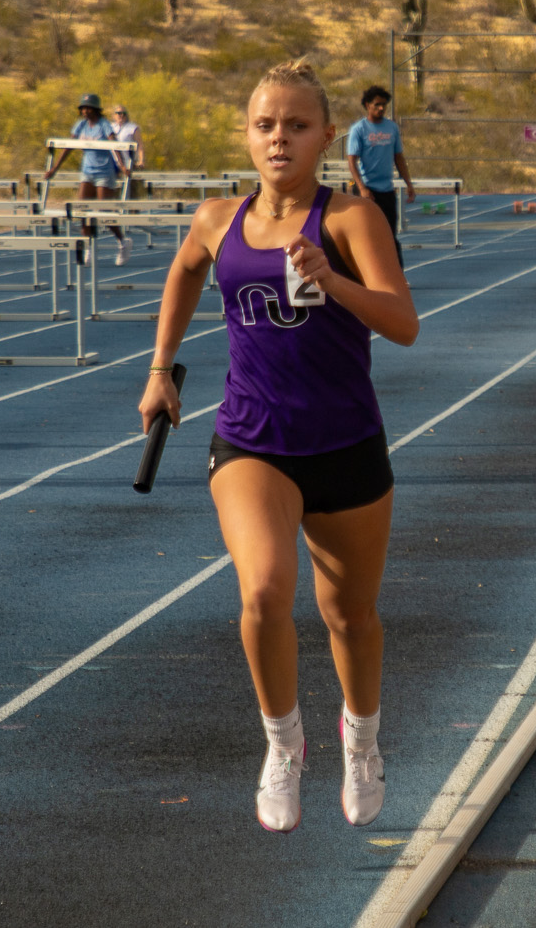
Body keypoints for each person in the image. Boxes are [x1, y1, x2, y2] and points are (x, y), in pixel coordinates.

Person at [137, 61, 420, 834]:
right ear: (248, 134)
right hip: (252, 439)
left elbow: (402, 322)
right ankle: (282, 743)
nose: (279, 137)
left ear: (328, 137)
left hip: (347, 443)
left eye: (296, 125)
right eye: (266, 124)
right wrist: (161, 370)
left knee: (350, 614)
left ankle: (360, 741)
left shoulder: (351, 219)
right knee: (262, 591)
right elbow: (184, 274)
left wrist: (333, 280)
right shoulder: (216, 218)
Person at [42, 93, 129, 262]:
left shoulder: (104, 125)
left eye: (88, 108)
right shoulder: (80, 125)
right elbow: (68, 147)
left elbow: (114, 145)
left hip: (104, 171)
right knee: (82, 211)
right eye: (83, 108)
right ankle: (88, 246)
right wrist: (54, 169)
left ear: (95, 109)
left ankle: (122, 242)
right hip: (87, 171)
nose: (85, 111)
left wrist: (122, 165)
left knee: (104, 212)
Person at [344, 87, 415, 261]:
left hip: (386, 190)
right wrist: (362, 188)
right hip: (367, 189)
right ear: (368, 105)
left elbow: (399, 157)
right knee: (365, 235)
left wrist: (409, 184)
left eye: (384, 105)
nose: (381, 108)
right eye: (377, 105)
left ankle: (397, 276)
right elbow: (352, 160)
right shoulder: (359, 129)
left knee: (389, 235)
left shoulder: (391, 128)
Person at [109, 102, 144, 266]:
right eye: (117, 113)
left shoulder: (132, 128)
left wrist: (141, 160)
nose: (120, 115)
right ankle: (113, 218)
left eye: (123, 113)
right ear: (113, 115)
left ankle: (126, 219)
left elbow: (140, 145)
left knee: (127, 192)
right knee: (109, 194)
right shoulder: (110, 128)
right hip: (110, 164)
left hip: (127, 164)